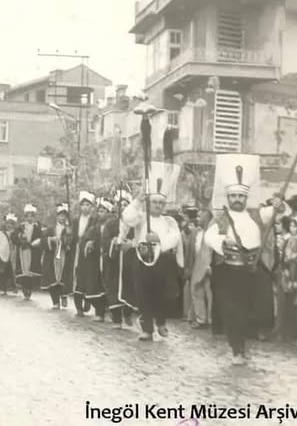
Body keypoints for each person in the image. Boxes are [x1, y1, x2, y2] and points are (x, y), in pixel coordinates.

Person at [204, 156, 289, 365]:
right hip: (228, 272)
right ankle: (236, 350)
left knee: (248, 311)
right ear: (228, 197)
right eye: (233, 196)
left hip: (251, 272)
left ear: (245, 197)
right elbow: (209, 236)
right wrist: (221, 241)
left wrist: (279, 204)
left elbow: (283, 212)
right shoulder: (223, 218)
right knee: (233, 311)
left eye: (240, 196)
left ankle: (241, 346)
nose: (237, 200)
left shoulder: (256, 214)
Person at [122, 163, 184, 342]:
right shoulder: (141, 217)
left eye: (161, 202)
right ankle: (147, 329)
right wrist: (138, 200)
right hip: (142, 261)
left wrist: (158, 240)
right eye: (154, 202)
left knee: (164, 295)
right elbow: (127, 218)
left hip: (163, 263)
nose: (157, 205)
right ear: (150, 203)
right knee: (144, 295)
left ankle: (162, 321)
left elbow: (175, 237)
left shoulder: (169, 221)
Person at [102, 191, 135, 328]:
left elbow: (139, 239)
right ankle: (116, 318)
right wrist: (113, 242)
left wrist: (131, 243)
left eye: (126, 204)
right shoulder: (111, 224)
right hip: (115, 262)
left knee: (130, 287)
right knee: (114, 288)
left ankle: (127, 313)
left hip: (129, 262)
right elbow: (104, 242)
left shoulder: (134, 224)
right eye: (120, 205)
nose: (123, 207)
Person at [65, 191, 98, 317]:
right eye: (83, 205)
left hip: (88, 253)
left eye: (88, 205)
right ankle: (78, 306)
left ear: (92, 207)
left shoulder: (94, 221)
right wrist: (68, 236)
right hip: (76, 252)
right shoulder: (75, 220)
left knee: (88, 276)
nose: (85, 207)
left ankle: (88, 299)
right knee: (76, 277)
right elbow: (71, 237)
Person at [41, 202, 70, 309]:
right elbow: (43, 240)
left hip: (64, 256)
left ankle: (64, 296)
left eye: (64, 216)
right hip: (52, 256)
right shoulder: (50, 229)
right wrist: (51, 240)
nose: (62, 218)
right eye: (60, 215)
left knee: (64, 278)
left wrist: (68, 242)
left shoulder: (69, 229)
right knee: (52, 279)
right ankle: (55, 302)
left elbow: (72, 241)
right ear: (57, 216)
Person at [188, 209, 213, 329]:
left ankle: (211, 319)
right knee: (196, 291)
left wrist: (211, 265)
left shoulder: (212, 232)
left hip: (209, 266)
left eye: (200, 216)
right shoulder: (195, 232)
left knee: (210, 293)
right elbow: (190, 251)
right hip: (197, 265)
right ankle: (200, 318)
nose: (198, 219)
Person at [15, 205, 43, 300]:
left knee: (31, 271)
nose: (29, 218)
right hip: (23, 252)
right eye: (27, 216)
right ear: (25, 217)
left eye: (32, 216)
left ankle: (30, 288)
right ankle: (24, 288)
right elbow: (14, 237)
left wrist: (36, 244)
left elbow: (41, 239)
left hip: (33, 252)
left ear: (34, 217)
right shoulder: (21, 227)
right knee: (24, 271)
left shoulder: (37, 227)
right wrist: (20, 239)